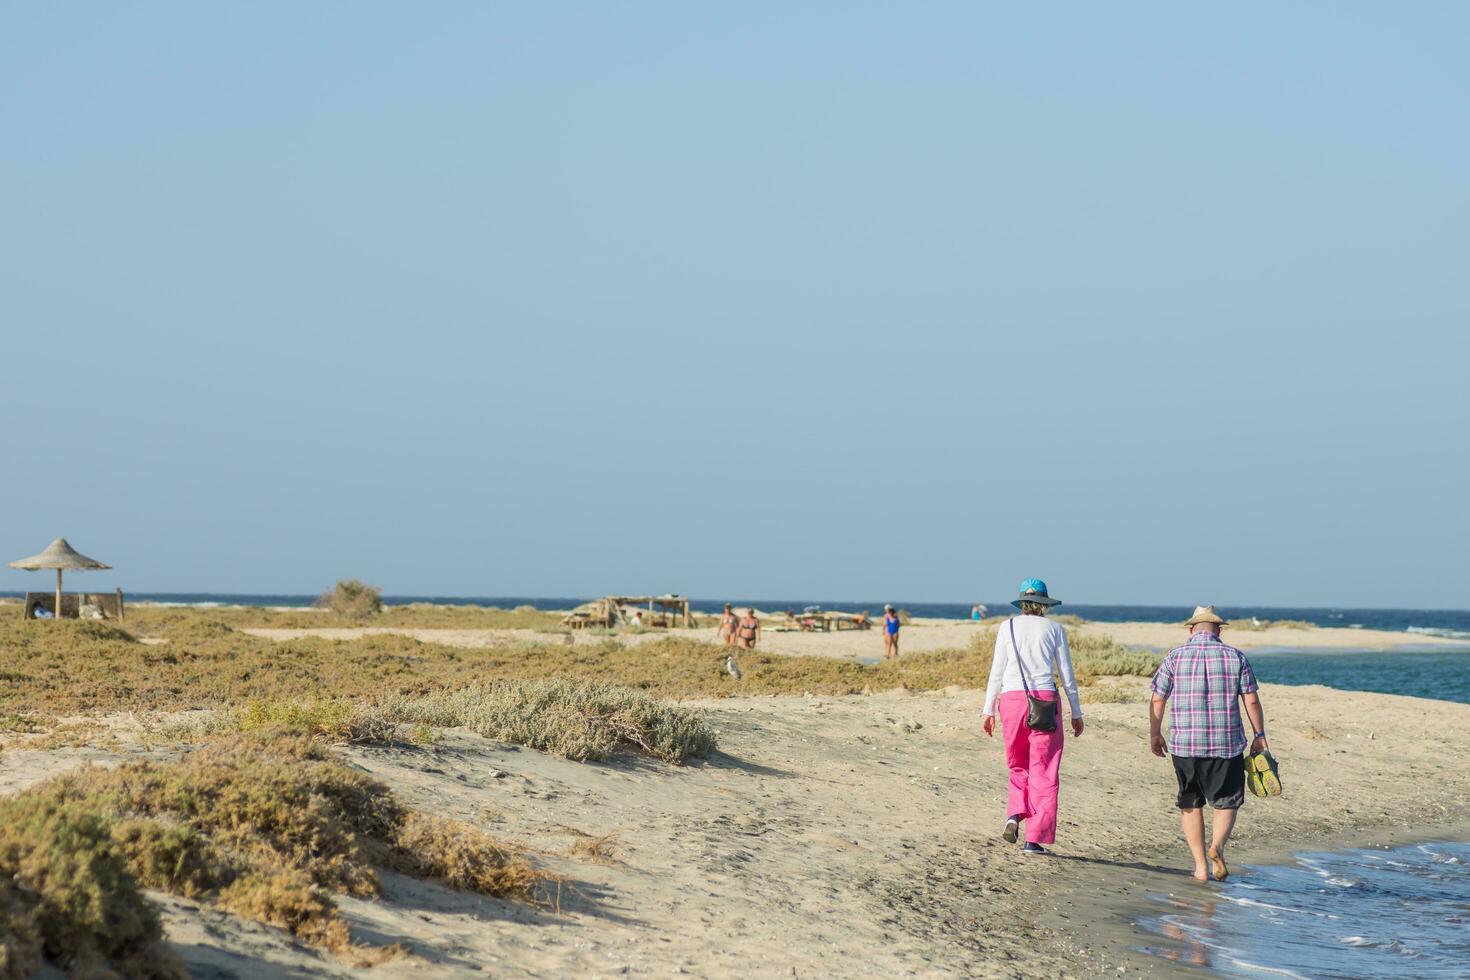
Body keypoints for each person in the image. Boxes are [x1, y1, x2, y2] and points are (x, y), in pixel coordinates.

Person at [1150, 605, 1267, 882]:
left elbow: (1158, 698)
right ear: (1218, 630)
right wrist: (1259, 735)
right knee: (1226, 801)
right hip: (1225, 744)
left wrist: (1155, 734)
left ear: (1191, 630)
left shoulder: (1174, 656)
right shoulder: (1235, 656)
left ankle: (1201, 867)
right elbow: (1250, 699)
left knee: (1190, 802)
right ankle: (1218, 846)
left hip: (1185, 743)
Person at [981, 579, 1083, 855]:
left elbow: (997, 671)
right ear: (1045, 604)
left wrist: (988, 710)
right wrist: (1076, 712)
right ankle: (1033, 839)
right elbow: (1066, 674)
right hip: (1045, 702)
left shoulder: (1007, 627)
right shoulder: (1055, 629)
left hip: (1012, 701)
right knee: (1045, 770)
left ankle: (1014, 815)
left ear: (1022, 603)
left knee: (1018, 765)